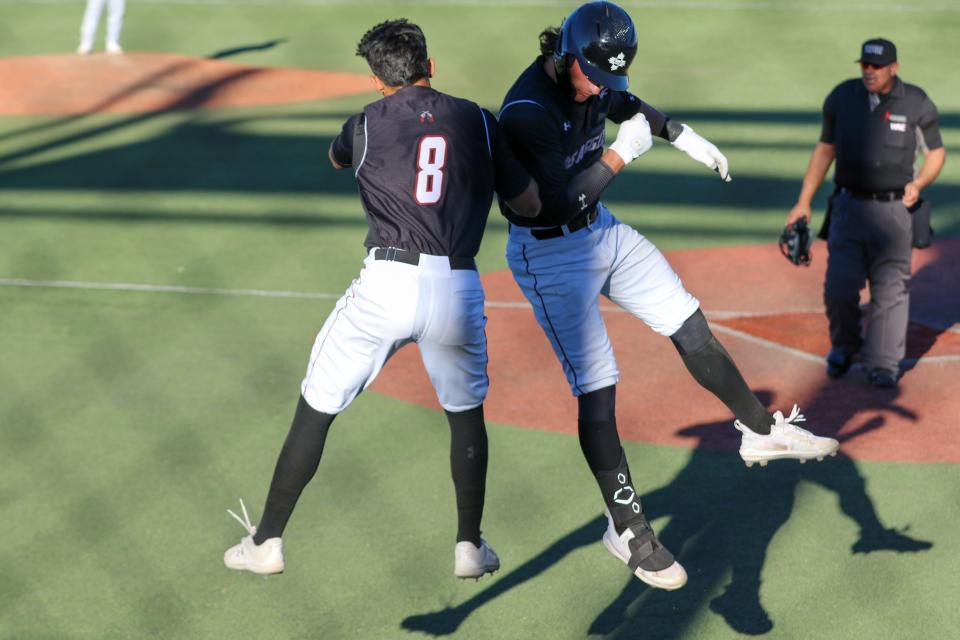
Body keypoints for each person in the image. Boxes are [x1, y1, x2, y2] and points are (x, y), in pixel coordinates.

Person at [497, 1, 839, 591]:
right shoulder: (526, 111)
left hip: (601, 229)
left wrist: (679, 133)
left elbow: (624, 104)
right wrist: (622, 152)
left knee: (687, 320)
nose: (600, 89)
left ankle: (760, 430)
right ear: (566, 55)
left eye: (610, 76)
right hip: (549, 252)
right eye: (594, 77)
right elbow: (556, 204)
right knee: (598, 382)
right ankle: (626, 527)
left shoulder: (594, 78)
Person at [222, 19, 540, 580]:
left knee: (317, 404)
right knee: (466, 417)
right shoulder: (479, 121)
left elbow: (338, 158)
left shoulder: (364, 123)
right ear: (431, 67)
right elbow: (530, 204)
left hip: (385, 286)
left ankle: (267, 541)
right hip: (458, 286)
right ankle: (469, 545)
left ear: (375, 80)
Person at [786, 38, 946, 388]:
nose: (869, 72)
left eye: (876, 66)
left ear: (894, 67)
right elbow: (825, 150)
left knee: (891, 288)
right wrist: (803, 201)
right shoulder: (842, 98)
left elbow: (936, 152)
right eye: (864, 65)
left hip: (894, 211)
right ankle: (844, 345)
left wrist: (919, 184)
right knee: (839, 287)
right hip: (848, 208)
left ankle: (884, 364)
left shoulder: (916, 102)